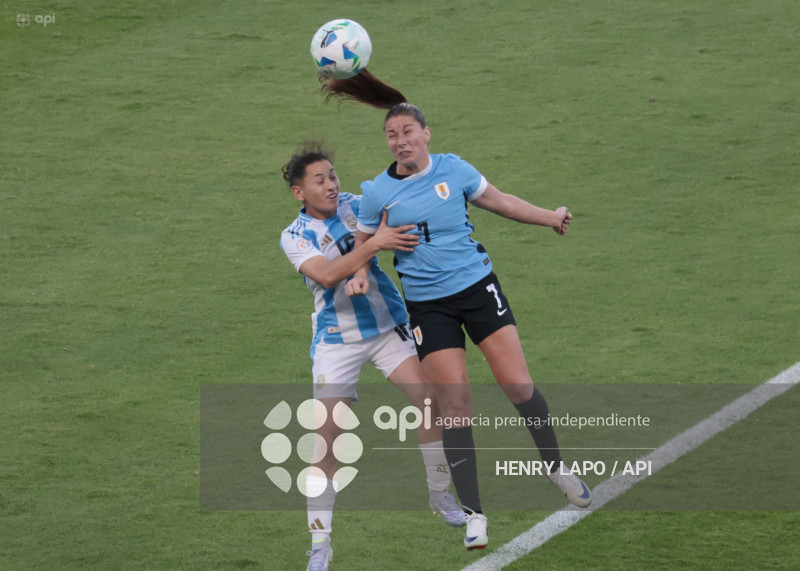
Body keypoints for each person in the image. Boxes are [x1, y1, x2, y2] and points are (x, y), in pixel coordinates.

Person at [321, 74, 592, 552]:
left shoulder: (454, 170)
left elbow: (500, 201)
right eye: (392, 135)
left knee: (519, 385)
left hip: (478, 288)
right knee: (455, 406)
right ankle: (475, 516)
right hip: (429, 306)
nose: (400, 141)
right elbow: (364, 244)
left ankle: (556, 467)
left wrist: (551, 216)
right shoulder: (378, 192)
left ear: (426, 134)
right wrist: (358, 275)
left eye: (408, 132)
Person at [279, 142, 466, 571]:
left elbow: (396, 214)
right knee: (326, 439)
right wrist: (374, 244)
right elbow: (326, 275)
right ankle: (320, 544)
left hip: (388, 328)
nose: (331, 184)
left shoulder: (356, 205)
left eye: (332, 175)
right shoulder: (294, 236)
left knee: (429, 402)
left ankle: (439, 494)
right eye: (319, 180)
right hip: (336, 341)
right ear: (298, 193)